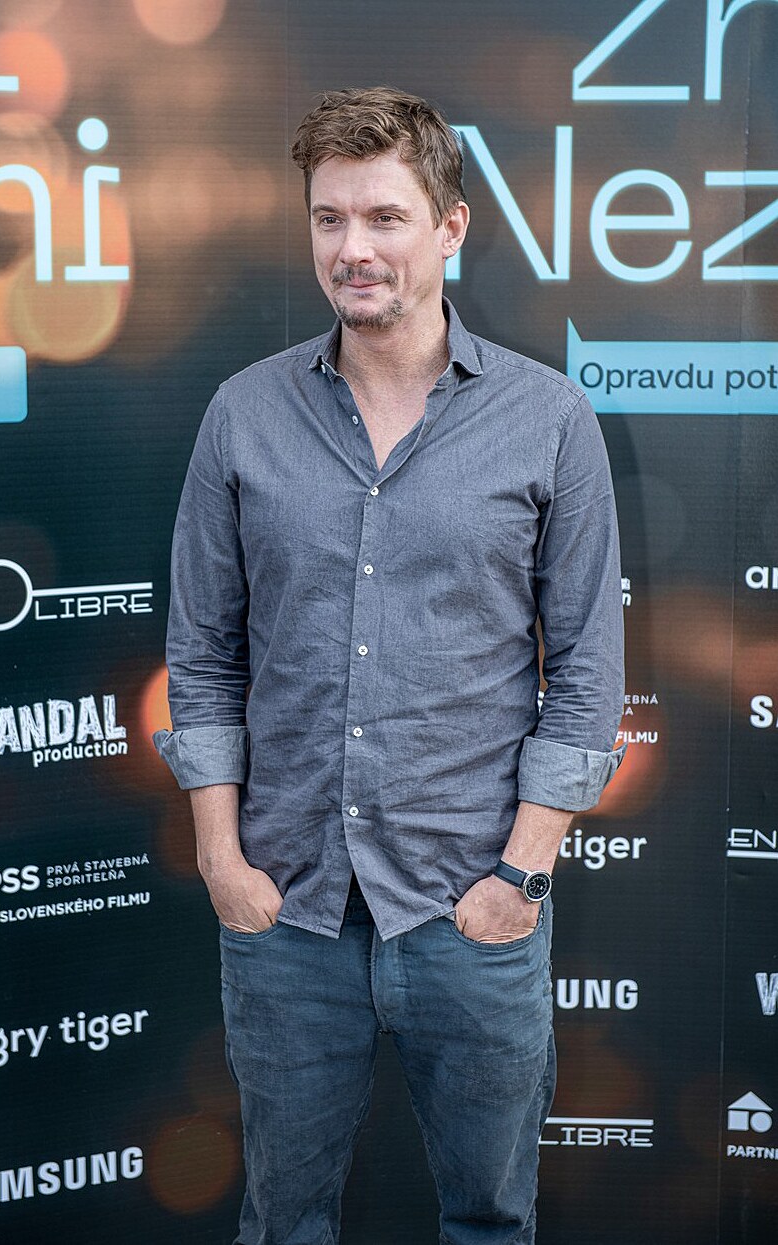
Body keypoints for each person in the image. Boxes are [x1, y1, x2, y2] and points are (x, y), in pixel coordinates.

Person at [154, 86, 625, 1245]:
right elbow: (202, 655)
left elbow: (585, 672)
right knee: (283, 1222)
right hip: (286, 913)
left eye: (384, 218)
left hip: (470, 910)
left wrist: (518, 879)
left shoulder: (549, 420)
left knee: (488, 1222)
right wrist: (221, 860)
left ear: (450, 226)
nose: (352, 249)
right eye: (328, 219)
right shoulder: (242, 415)